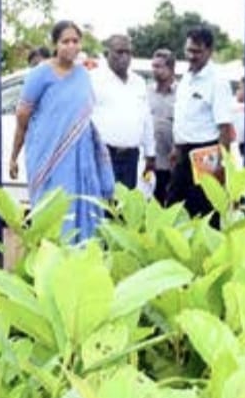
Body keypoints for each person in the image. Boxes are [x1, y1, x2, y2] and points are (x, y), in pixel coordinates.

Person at [8, 20, 115, 242]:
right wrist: (14, 156)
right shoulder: (40, 74)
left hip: (80, 156)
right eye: (65, 41)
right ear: (55, 44)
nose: (71, 46)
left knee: (82, 204)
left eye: (75, 41)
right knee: (53, 210)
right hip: (47, 155)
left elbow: (83, 115)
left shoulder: (83, 75)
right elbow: (22, 118)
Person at [166, 26, 236, 217]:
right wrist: (176, 148)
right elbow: (184, 117)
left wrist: (222, 166)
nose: (191, 55)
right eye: (188, 50)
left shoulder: (217, 81)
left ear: (209, 51)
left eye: (197, 51)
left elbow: (224, 128)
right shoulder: (187, 78)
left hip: (206, 155)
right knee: (174, 208)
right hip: (183, 153)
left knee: (204, 210)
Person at [91, 34, 155, 190]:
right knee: (104, 207)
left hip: (131, 158)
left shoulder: (138, 82)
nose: (124, 57)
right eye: (119, 52)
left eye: (128, 52)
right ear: (107, 54)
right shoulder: (93, 80)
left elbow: (146, 119)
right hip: (103, 156)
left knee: (126, 208)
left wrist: (150, 154)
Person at [148, 48, 177, 204]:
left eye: (159, 67)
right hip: (149, 161)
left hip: (171, 162)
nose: (155, 70)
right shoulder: (146, 93)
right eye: (153, 66)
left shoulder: (181, 94)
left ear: (171, 69)